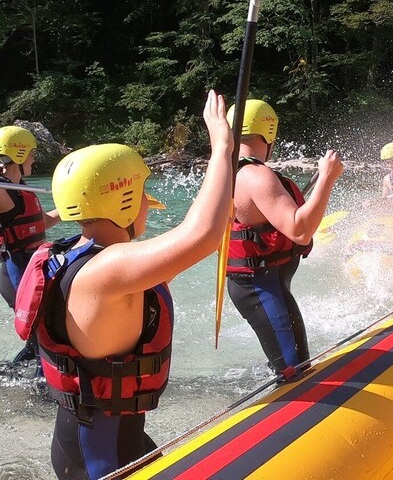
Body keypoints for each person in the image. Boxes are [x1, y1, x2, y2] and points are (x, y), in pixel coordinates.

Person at [13, 90, 234, 479]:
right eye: (143, 196)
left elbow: (187, 250)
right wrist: (221, 148)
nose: (149, 205)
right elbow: (202, 236)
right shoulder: (110, 267)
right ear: (123, 200)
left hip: (88, 440)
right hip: (105, 456)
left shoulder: (77, 258)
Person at [226, 99, 343, 376]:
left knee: (287, 362)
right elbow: (299, 230)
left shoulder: (226, 172)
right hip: (263, 288)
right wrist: (327, 178)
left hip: (258, 284)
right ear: (269, 134)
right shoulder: (256, 177)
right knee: (296, 373)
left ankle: (275, 370)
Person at [0, 126, 60, 364]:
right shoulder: (4, 190)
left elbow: (42, 222)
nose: (34, 158)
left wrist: (77, 208)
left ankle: (18, 373)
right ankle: (43, 388)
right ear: (19, 155)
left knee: (41, 334)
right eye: (32, 153)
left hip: (31, 266)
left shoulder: (20, 187)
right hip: (13, 268)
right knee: (43, 333)